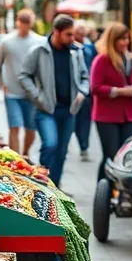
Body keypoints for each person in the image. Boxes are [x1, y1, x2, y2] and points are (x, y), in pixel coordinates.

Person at [17, 14, 89, 186]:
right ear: (56, 31)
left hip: (69, 110)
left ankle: (53, 187)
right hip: (45, 109)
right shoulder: (38, 50)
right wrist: (37, 96)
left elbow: (85, 77)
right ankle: (40, 183)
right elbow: (24, 76)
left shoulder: (76, 51)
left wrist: (82, 92)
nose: (73, 38)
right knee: (50, 145)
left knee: (62, 151)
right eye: (68, 34)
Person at [90, 23, 132, 180]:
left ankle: (121, 192)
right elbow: (95, 88)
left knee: (126, 157)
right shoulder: (102, 60)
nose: (125, 42)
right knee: (111, 155)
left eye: (127, 38)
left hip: (130, 115)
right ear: (112, 40)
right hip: (107, 116)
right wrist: (120, 91)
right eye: (121, 39)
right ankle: (104, 191)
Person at [0, 9, 41, 155]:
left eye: (27, 23)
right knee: (14, 127)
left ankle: (25, 154)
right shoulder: (6, 41)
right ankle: (15, 159)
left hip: (32, 93)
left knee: (31, 128)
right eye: (22, 22)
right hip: (12, 93)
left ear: (31, 23)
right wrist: (1, 84)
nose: (24, 26)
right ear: (17, 22)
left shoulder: (39, 41)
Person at [74, 22, 98, 161]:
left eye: (83, 31)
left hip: (87, 91)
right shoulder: (71, 48)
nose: (81, 34)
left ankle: (84, 146)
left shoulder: (90, 47)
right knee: (75, 122)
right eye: (78, 31)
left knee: (84, 121)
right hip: (73, 91)